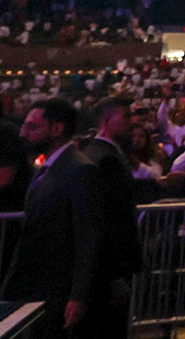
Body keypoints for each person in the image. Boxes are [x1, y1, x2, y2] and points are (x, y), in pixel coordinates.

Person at [2, 98, 103, 339]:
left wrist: (78, 295)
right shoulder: (49, 169)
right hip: (38, 285)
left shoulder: (80, 170)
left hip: (57, 288)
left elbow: (88, 237)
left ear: (57, 129)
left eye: (32, 127)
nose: (23, 134)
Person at [81, 96, 143, 339]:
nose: (132, 121)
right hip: (108, 271)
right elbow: (110, 221)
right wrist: (117, 273)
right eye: (125, 115)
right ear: (107, 120)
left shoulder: (93, 151)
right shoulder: (106, 159)